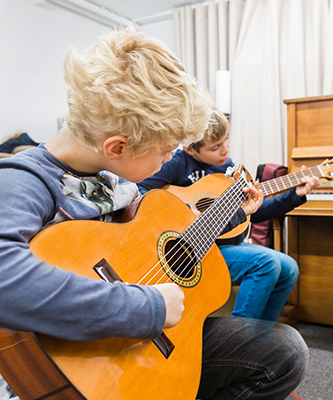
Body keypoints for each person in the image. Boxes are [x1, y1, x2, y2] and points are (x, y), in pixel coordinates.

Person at [0, 28, 308, 400]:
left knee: (285, 351)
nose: (169, 159)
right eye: (165, 152)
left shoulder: (117, 180)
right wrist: (148, 307)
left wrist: (229, 215)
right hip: (68, 362)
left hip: (140, 341)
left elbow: (152, 248)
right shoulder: (25, 179)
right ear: (117, 146)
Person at [137, 106, 321, 322]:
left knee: (289, 267)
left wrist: (295, 195)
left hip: (229, 245)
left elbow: (255, 212)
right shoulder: (176, 164)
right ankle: (239, 337)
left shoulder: (228, 169)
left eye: (226, 140)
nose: (225, 150)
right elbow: (140, 192)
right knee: (266, 262)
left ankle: (264, 336)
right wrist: (187, 213)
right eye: (215, 147)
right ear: (190, 149)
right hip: (194, 251)